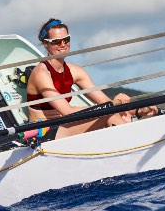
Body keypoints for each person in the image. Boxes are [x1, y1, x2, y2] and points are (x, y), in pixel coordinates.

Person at [27, 18, 156, 135]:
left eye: (66, 39)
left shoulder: (76, 71)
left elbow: (104, 102)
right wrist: (109, 107)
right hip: (44, 131)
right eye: (56, 41)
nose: (63, 44)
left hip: (65, 125)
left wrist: (137, 110)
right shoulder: (41, 74)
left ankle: (135, 139)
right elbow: (67, 111)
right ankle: (136, 139)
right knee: (107, 114)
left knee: (110, 112)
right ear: (45, 44)